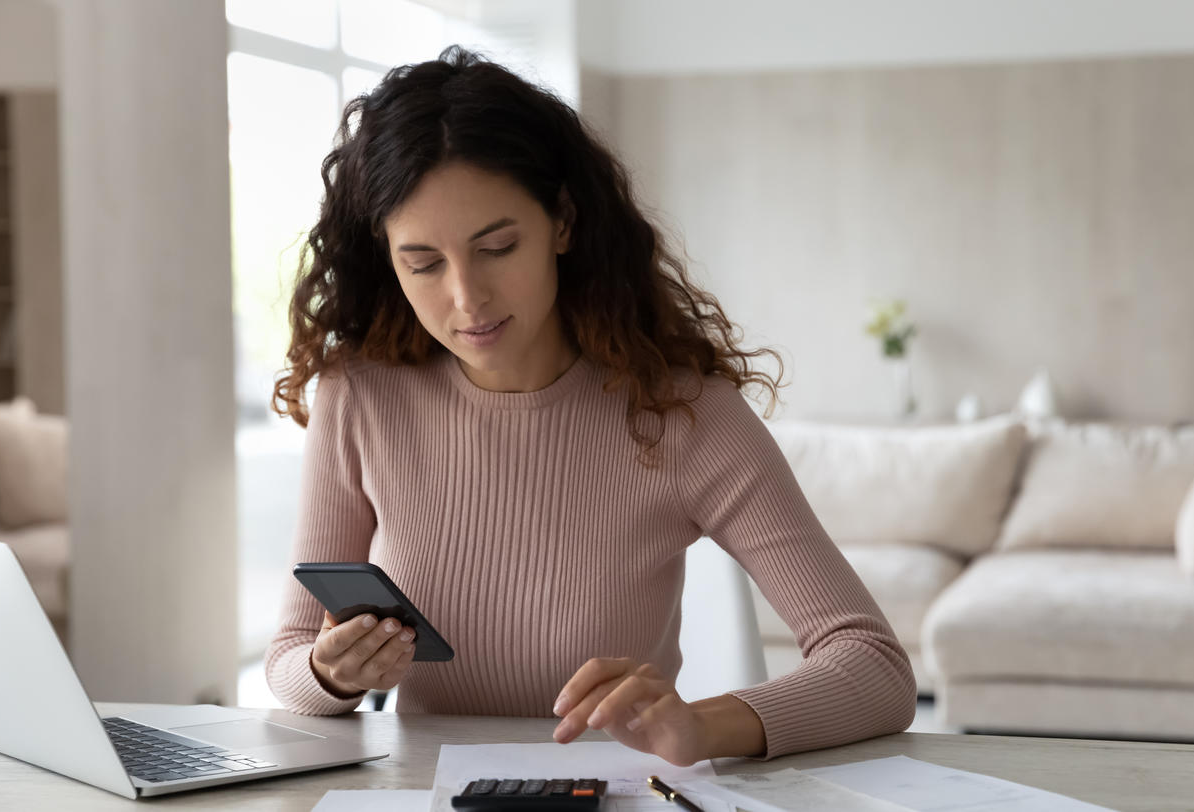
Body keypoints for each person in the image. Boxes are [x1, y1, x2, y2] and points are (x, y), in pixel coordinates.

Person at [265, 46, 916, 766]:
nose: (466, 298)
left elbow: (874, 667)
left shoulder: (681, 412)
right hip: (421, 792)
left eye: (498, 247)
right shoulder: (362, 395)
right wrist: (331, 673)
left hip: (611, 793)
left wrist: (703, 726)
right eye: (422, 263)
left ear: (564, 223)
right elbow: (290, 661)